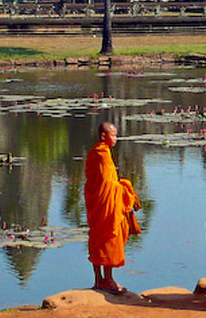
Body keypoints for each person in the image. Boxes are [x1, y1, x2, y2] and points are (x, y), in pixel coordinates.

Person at [84, 121, 141, 294]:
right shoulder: (102, 155)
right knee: (108, 236)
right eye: (113, 135)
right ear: (103, 136)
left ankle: (98, 280)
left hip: (97, 204)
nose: (116, 138)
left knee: (97, 237)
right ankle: (107, 280)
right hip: (105, 205)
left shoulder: (94, 153)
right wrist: (125, 188)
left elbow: (94, 182)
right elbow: (108, 184)